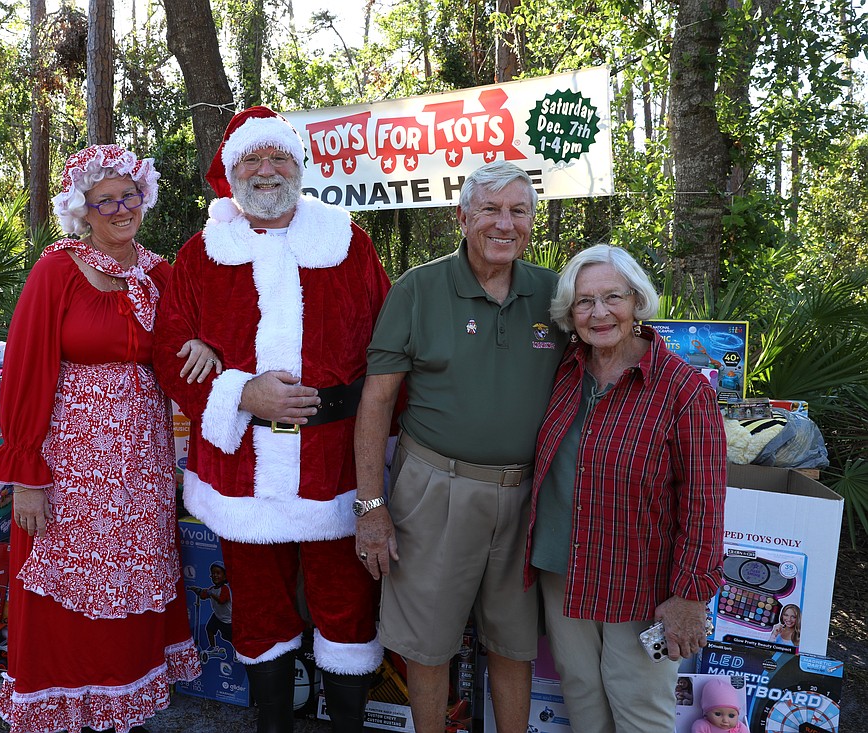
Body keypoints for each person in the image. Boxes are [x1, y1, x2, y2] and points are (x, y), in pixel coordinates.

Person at [153, 106, 391, 733]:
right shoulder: (203, 253)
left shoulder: (347, 241)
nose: (265, 170)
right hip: (241, 472)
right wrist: (239, 392)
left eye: (278, 157)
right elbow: (170, 351)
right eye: (251, 160)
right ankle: (271, 725)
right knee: (258, 608)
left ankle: (346, 725)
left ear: (300, 165)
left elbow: (388, 349)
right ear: (232, 173)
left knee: (346, 605)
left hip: (333, 465)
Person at [0, 144, 210, 733]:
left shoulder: (162, 273)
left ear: (145, 199)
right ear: (81, 208)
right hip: (69, 465)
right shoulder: (57, 270)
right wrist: (27, 475)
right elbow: (28, 373)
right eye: (103, 199)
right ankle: (59, 704)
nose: (118, 209)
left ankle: (122, 700)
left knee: (133, 572)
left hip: (143, 461)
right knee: (64, 580)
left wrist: (207, 345)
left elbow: (196, 335)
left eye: (128, 196)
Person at [354, 160, 566, 733]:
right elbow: (375, 402)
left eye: (518, 210)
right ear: (463, 215)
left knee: (514, 641)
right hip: (434, 490)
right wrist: (371, 507)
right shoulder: (417, 289)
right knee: (428, 644)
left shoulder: (556, 294)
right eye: (491, 209)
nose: (505, 223)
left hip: (526, 495)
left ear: (532, 220)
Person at [524, 244, 727, 733]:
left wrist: (691, 596)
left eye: (612, 297)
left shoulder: (681, 389)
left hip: (636, 577)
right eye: (583, 302)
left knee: (639, 709)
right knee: (582, 698)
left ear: (636, 301)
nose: (599, 313)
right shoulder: (563, 372)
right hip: (561, 567)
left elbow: (704, 503)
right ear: (569, 314)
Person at [188, 560, 233, 652]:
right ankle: (213, 648)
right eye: (213, 573)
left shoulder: (225, 589)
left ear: (224, 577)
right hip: (217, 616)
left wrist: (210, 594)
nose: (215, 575)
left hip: (227, 620)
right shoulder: (212, 589)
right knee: (209, 629)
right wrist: (196, 590)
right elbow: (203, 595)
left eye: (218, 573)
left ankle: (238, 651)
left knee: (229, 638)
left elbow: (221, 600)